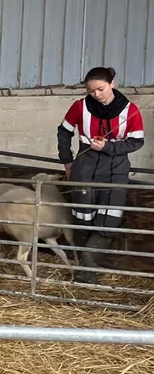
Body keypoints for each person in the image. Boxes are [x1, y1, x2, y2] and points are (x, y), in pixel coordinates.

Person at [57, 66, 145, 284]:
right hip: (84, 168)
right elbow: (64, 131)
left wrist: (107, 147)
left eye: (101, 89)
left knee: (108, 221)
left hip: (115, 171)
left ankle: (86, 265)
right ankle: (86, 269)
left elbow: (136, 141)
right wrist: (67, 160)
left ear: (112, 83)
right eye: (91, 90)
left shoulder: (130, 111)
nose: (96, 94)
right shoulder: (80, 107)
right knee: (82, 218)